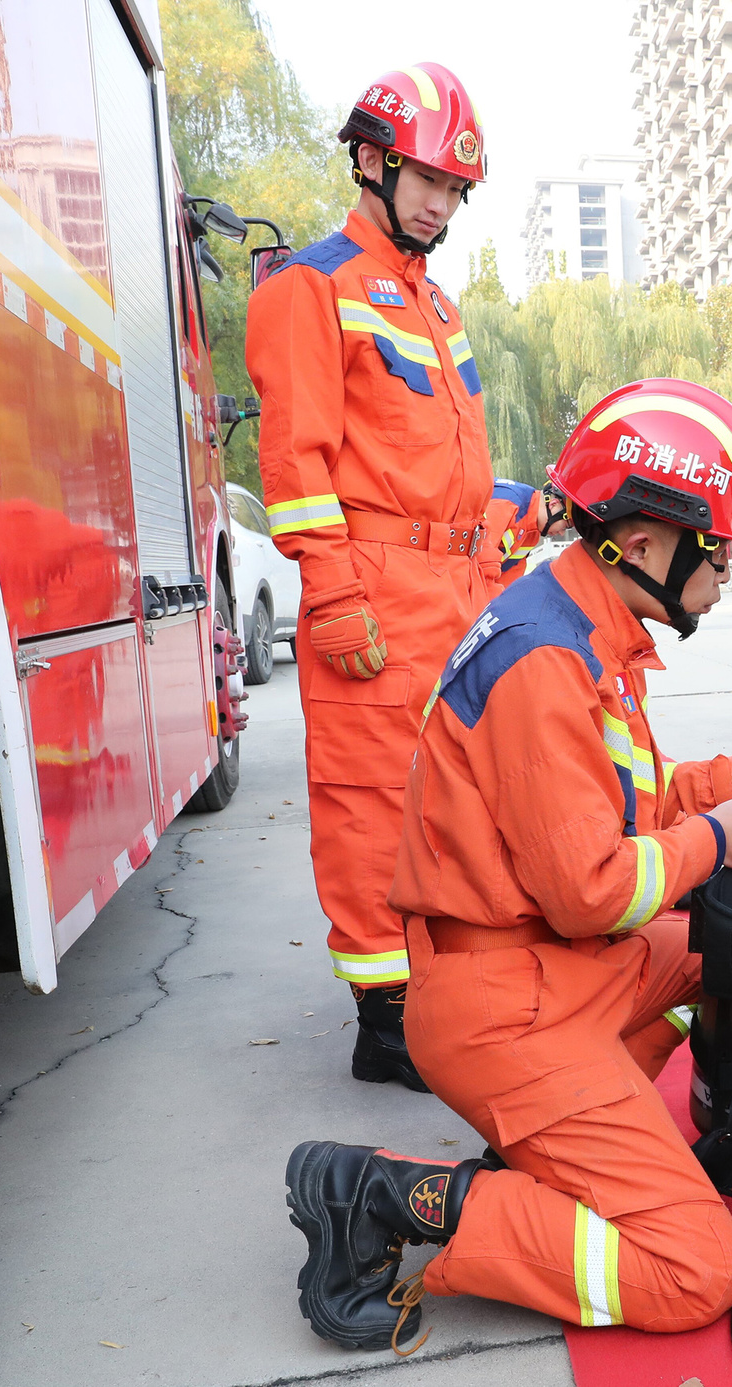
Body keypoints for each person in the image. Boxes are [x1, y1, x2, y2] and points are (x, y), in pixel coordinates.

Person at [284, 379, 732, 1354]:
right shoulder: (545, 657)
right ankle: (389, 1197)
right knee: (691, 1269)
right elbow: (593, 891)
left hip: (540, 969)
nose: (729, 572)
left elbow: (626, 804)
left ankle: (614, 1137)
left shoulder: (581, 627)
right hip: (510, 1003)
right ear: (649, 545)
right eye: (724, 551)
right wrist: (720, 837)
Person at [247, 63, 495, 1090]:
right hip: (377, 588)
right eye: (425, 178)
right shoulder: (313, 286)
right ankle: (384, 1019)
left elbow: (452, 460)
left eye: (455, 188)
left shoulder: (432, 302)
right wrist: (337, 593)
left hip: (456, 586)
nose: (440, 202)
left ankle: (438, 984)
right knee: (368, 803)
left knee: (452, 801)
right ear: (369, 162)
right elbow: (296, 463)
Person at [479, 478, 540, 591]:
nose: (561, 533)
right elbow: (479, 557)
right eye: (566, 524)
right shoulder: (508, 503)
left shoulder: (533, 532)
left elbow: (511, 577)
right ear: (554, 503)